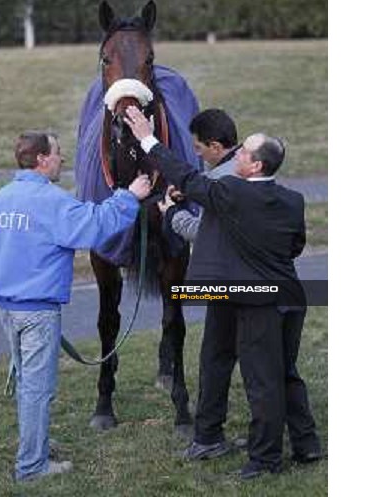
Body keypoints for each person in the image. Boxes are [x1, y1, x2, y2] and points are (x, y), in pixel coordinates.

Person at [124, 106, 321, 480]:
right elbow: (294, 247)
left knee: (261, 379)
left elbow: (185, 175)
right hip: (290, 296)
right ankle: (306, 443)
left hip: (256, 300)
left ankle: (265, 459)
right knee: (285, 372)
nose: (237, 157)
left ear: (255, 167)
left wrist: (147, 138)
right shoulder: (292, 201)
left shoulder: (231, 191)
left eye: (244, 154)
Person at [0, 131, 152, 483]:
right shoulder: (51, 202)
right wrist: (129, 197)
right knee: (38, 388)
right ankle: (32, 466)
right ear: (41, 159)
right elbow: (95, 227)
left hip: (8, 308)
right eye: (57, 154)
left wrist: (2, 289)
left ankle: (34, 446)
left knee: (28, 383)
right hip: (38, 312)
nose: (62, 159)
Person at [157, 109, 242, 461]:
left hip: (228, 284)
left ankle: (207, 437)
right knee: (265, 366)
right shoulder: (241, 168)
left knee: (215, 357)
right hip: (263, 286)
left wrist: (171, 213)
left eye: (199, 148)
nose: (196, 154)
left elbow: (200, 233)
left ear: (216, 146)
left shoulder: (223, 179)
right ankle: (295, 439)